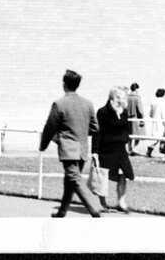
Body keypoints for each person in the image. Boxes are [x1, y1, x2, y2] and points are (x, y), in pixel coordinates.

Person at [39, 69, 103, 218]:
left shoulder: (59, 104)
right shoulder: (87, 103)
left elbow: (49, 127)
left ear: (64, 84)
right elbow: (95, 128)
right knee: (70, 181)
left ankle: (95, 208)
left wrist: (43, 145)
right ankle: (62, 212)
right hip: (82, 149)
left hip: (68, 149)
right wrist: (80, 131)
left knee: (73, 178)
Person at [92, 87, 136, 213]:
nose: (122, 100)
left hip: (120, 149)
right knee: (103, 176)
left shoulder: (124, 111)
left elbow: (126, 129)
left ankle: (121, 202)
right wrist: (95, 151)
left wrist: (127, 143)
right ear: (112, 98)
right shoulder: (103, 112)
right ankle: (103, 203)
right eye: (119, 97)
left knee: (123, 174)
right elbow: (97, 132)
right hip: (106, 149)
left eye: (123, 97)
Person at [146, 88, 165, 158]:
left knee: (156, 137)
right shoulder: (163, 102)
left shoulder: (153, 102)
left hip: (154, 122)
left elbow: (151, 114)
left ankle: (151, 150)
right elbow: (164, 114)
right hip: (161, 123)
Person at [125, 82, 146, 154]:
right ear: (136, 89)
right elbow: (140, 110)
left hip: (127, 118)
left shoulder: (126, 97)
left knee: (129, 135)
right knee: (138, 135)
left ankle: (129, 149)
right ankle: (133, 148)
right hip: (135, 118)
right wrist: (142, 118)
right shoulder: (137, 98)